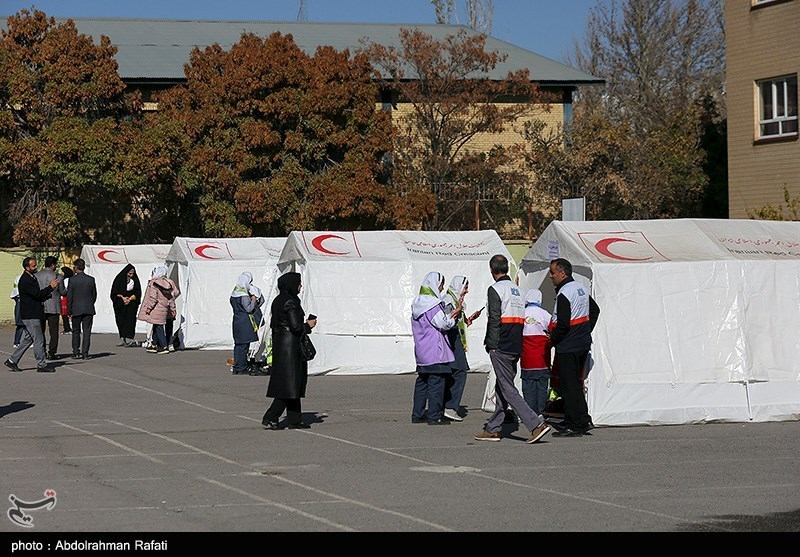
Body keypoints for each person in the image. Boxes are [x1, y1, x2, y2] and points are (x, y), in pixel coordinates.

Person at [474, 254, 551, 444]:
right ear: (507, 269)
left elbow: (494, 319)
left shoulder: (495, 289)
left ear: (492, 270)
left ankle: (535, 425)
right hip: (516, 345)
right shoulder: (517, 290)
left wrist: (491, 345)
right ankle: (493, 429)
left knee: (508, 389)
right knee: (502, 386)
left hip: (501, 345)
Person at [547, 258, 600, 437]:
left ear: (563, 273)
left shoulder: (564, 293)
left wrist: (552, 341)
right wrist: (584, 331)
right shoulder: (581, 289)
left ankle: (575, 425)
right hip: (581, 343)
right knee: (575, 384)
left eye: (552, 272)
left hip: (569, 346)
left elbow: (562, 324)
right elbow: (595, 311)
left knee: (569, 386)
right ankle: (581, 419)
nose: (550, 276)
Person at [261, 272, 317, 430]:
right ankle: (271, 416)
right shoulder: (290, 302)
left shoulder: (278, 300)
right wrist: (308, 325)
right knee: (289, 385)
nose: (300, 286)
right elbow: (296, 327)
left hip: (282, 347)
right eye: (298, 283)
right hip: (291, 349)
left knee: (292, 384)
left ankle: (294, 419)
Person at [410, 272, 461, 426]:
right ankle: (434, 416)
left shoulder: (417, 303)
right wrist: (452, 317)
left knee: (422, 382)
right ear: (435, 284)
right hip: (435, 351)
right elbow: (442, 323)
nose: (442, 287)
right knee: (436, 383)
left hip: (422, 351)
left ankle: (417, 414)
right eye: (441, 284)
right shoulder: (432, 304)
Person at [5, 257, 60, 373]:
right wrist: (50, 287)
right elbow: (37, 294)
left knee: (28, 339)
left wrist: (46, 294)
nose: (36, 267)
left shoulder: (31, 277)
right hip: (31, 315)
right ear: (27, 268)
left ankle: (12, 360)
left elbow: (36, 295)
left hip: (32, 313)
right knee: (38, 339)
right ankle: (41, 364)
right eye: (33, 266)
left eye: (35, 265)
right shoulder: (26, 280)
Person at [441, 275, 483, 422]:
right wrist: (458, 311)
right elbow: (446, 320)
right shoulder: (448, 301)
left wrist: (468, 319)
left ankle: (446, 405)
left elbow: (458, 320)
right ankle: (450, 406)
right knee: (460, 370)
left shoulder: (455, 300)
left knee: (453, 371)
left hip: (455, 337)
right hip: (451, 338)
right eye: (465, 288)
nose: (466, 291)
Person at [521, 288, 553, 417]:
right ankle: (540, 411)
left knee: (528, 386)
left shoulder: (522, 314)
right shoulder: (545, 314)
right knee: (541, 385)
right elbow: (552, 332)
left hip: (527, 358)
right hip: (542, 357)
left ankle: (529, 412)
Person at [230, 272, 265, 375]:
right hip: (245, 322)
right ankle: (241, 367)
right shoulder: (244, 295)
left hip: (237, 320)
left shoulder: (234, 293)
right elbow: (249, 308)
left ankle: (237, 366)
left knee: (238, 345)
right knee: (244, 345)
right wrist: (254, 299)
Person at [137, 266, 176, 355]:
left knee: (158, 327)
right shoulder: (168, 283)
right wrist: (173, 308)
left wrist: (149, 308)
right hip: (164, 308)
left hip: (156, 308)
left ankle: (163, 346)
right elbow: (172, 297)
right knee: (156, 325)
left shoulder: (154, 283)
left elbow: (153, 298)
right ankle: (154, 344)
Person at [36, 256, 67, 360]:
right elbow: (62, 292)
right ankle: (52, 352)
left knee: (41, 331)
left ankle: (42, 351)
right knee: (54, 332)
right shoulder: (58, 277)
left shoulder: (37, 275)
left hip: (40, 305)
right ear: (53, 264)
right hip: (54, 306)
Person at [66, 258, 97, 360]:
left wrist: (69, 310)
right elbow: (94, 295)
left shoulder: (72, 280)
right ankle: (85, 353)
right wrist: (90, 303)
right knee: (87, 331)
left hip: (76, 308)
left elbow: (69, 296)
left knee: (76, 331)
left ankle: (75, 351)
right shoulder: (91, 279)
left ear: (76, 268)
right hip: (88, 308)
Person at [110, 263, 142, 347]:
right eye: (129, 273)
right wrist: (122, 298)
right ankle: (122, 337)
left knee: (130, 321)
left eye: (132, 274)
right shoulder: (119, 279)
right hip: (120, 303)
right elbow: (114, 292)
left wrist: (130, 299)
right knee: (121, 320)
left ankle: (129, 338)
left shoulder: (135, 280)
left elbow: (138, 292)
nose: (131, 275)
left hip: (131, 304)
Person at [10, 272, 25, 348]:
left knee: (26, 324)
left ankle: (19, 342)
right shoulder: (20, 278)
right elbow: (16, 290)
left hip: (21, 299)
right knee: (21, 324)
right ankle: (16, 342)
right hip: (21, 300)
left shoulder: (18, 277)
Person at [60, 266, 74, 334]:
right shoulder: (71, 279)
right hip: (68, 297)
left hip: (65, 298)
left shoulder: (66, 280)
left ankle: (67, 328)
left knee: (64, 314)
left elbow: (64, 290)